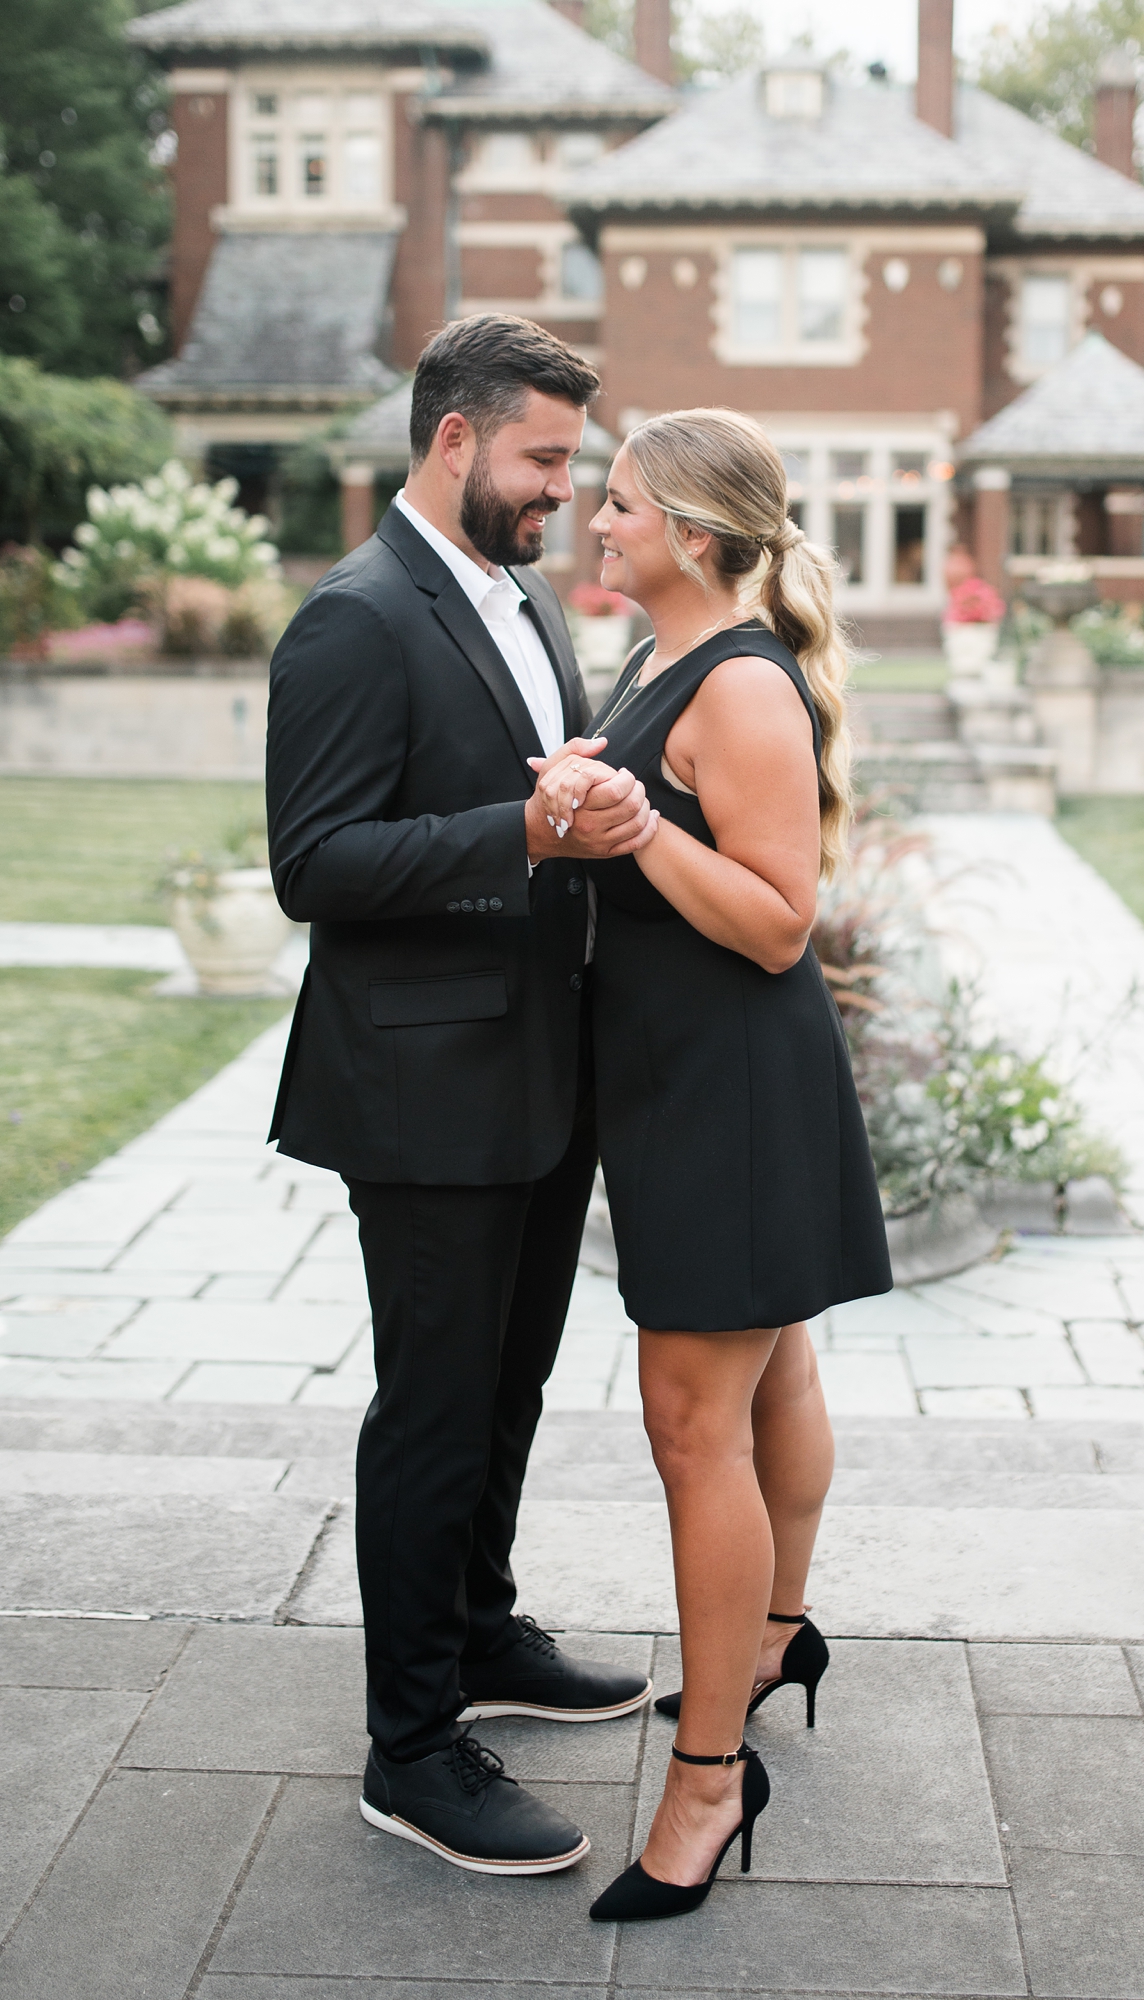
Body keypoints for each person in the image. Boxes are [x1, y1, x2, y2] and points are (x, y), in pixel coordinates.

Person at [264, 315, 661, 1877]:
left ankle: (483, 1633)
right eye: (546, 458)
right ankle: (411, 1746)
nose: (567, 489)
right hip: (424, 1090)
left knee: (508, 1390)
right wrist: (527, 830)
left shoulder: (528, 598)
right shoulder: (353, 620)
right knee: (433, 1410)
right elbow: (317, 865)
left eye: (574, 460)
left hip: (540, 1071)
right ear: (454, 441)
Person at [528, 408, 892, 1923]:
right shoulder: (663, 658)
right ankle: (779, 1628)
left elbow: (778, 918)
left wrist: (629, 834)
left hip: (731, 1090)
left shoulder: (741, 685)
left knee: (692, 1422)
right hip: (690, 1079)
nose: (590, 525)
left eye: (615, 507)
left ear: (690, 531)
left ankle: (708, 1775)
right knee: (774, 1366)